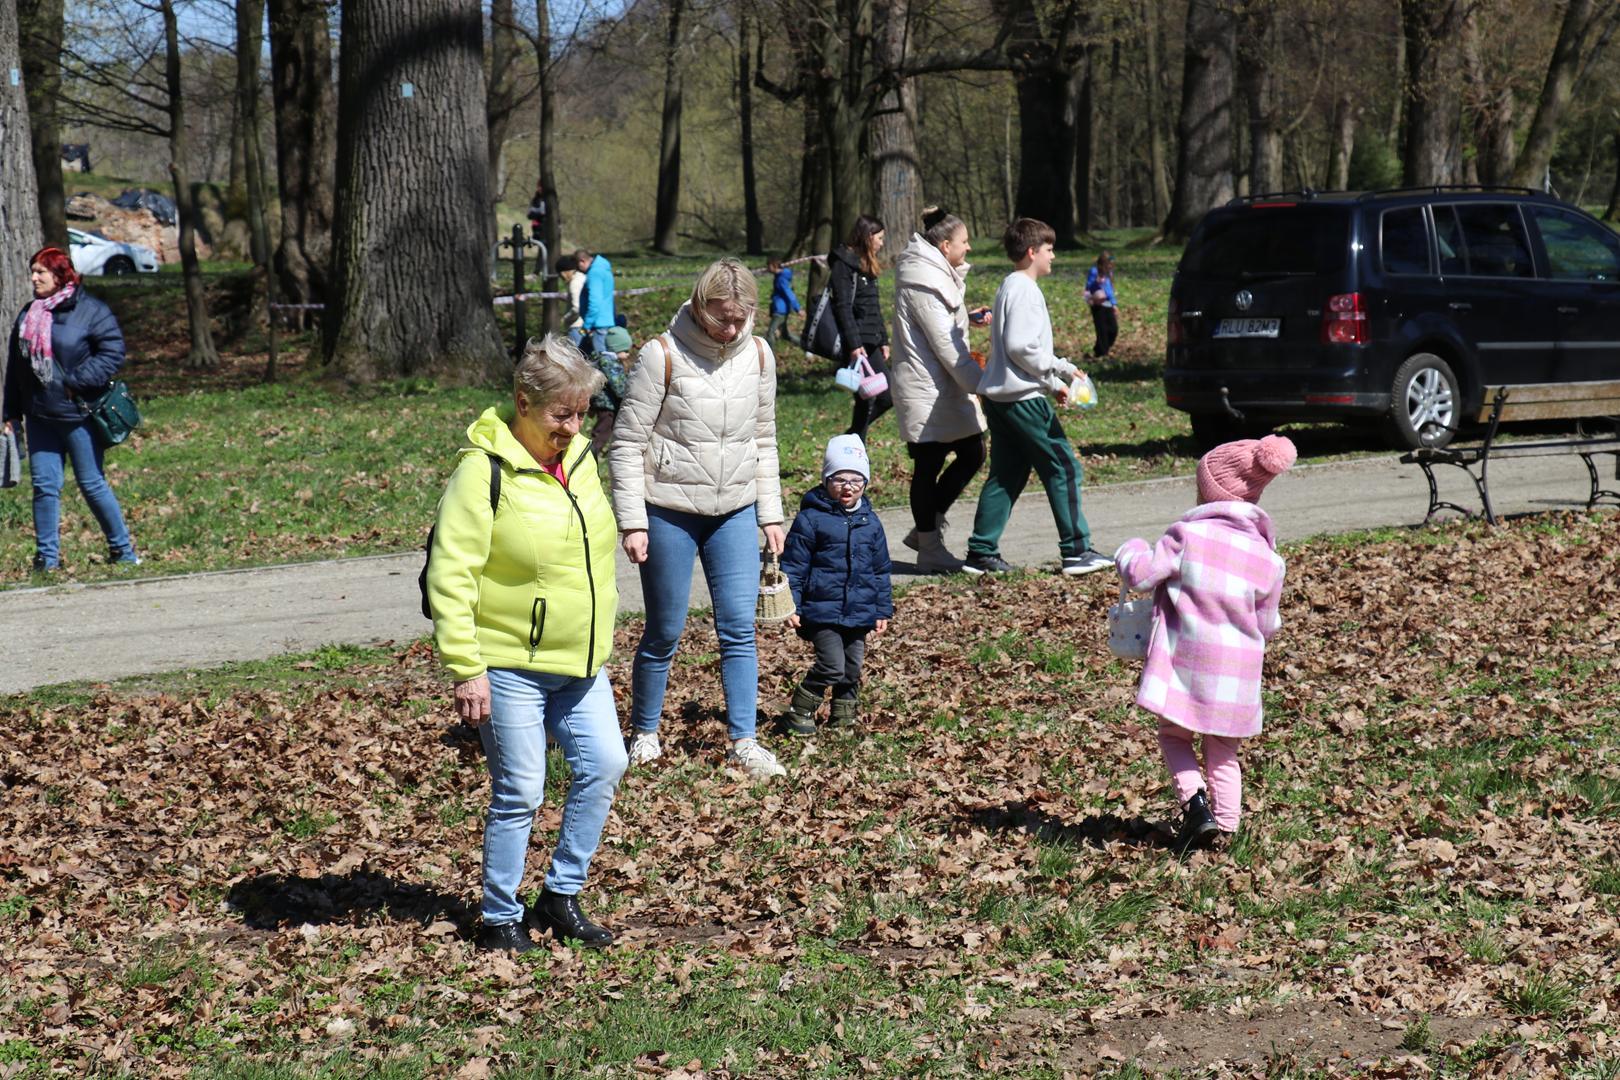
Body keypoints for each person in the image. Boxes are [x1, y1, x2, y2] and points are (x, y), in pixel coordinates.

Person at [425, 334, 626, 953]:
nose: (574, 427)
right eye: (561, 414)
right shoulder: (481, 473)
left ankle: (561, 895)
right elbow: (450, 575)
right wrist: (467, 669)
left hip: (580, 660)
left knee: (606, 764)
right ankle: (498, 916)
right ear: (522, 402)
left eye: (582, 413)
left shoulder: (582, 460)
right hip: (509, 661)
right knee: (522, 789)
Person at [609, 259, 789, 781]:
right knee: (664, 630)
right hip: (669, 510)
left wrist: (770, 513)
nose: (729, 328)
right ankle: (645, 733)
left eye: (739, 318)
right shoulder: (661, 355)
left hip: (735, 509)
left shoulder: (759, 355)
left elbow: (764, 440)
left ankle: (744, 741)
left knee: (739, 629)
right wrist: (633, 521)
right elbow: (627, 443)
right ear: (699, 304)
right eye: (720, 318)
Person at [1114, 435, 1294, 854]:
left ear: (1209, 491)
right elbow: (1267, 623)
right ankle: (1226, 831)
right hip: (1237, 672)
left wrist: (1129, 550)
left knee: (1174, 735)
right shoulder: (1268, 558)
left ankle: (1196, 807)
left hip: (1185, 662)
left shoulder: (1186, 535)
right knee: (1224, 751)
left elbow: (1142, 575)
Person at [963, 219, 1111, 578]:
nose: (1053, 256)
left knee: (1007, 473)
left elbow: (1016, 350)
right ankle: (1077, 551)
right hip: (1021, 400)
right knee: (1064, 468)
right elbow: (1020, 347)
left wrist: (1051, 383)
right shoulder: (1025, 290)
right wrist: (1061, 370)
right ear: (1032, 252)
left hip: (1001, 397)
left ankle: (981, 553)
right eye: (1049, 249)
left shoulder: (1009, 285)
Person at [3, 246, 139, 571]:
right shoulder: (28, 313)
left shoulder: (91, 311)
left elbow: (113, 352)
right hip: (40, 416)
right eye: (32, 271)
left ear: (60, 274)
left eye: (41, 272)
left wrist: (76, 381)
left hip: (79, 415)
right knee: (44, 487)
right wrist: (10, 412)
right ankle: (47, 560)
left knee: (91, 484)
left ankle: (123, 551)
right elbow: (16, 368)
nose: (34, 278)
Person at [889, 208, 992, 573]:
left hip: (940, 386)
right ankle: (929, 548)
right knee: (930, 463)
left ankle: (925, 532)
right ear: (945, 245)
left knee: (971, 451)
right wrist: (984, 385)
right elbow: (946, 346)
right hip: (926, 388)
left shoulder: (932, 275)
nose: (969, 247)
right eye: (964, 241)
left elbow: (942, 324)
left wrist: (968, 316)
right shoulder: (923, 282)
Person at [777, 435, 893, 735]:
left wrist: (882, 609)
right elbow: (794, 566)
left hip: (859, 611)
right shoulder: (810, 519)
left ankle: (843, 718)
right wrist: (792, 605)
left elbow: (880, 569)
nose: (848, 487)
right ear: (826, 480)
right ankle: (799, 712)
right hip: (821, 611)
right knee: (832, 665)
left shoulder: (871, 522)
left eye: (856, 480)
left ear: (865, 483)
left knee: (852, 668)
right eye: (839, 479)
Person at [828, 215, 892, 440]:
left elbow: (874, 306)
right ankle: (851, 442)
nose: (882, 243)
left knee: (870, 400)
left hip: (871, 340)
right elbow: (843, 307)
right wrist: (854, 345)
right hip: (857, 343)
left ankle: (851, 445)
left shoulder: (867, 264)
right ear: (867, 237)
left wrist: (883, 340)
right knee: (882, 397)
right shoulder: (843, 264)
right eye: (879, 238)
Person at [586, 325, 632, 455]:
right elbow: (618, 385)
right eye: (625, 350)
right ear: (616, 349)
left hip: (609, 404)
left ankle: (602, 451)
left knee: (610, 429)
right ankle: (590, 454)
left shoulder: (609, 361)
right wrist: (628, 395)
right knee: (602, 432)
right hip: (607, 405)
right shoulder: (608, 363)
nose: (628, 354)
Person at [576, 249, 617, 357]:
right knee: (583, 355)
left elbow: (595, 302)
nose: (578, 270)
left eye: (578, 267)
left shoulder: (594, 273)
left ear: (582, 261)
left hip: (597, 324)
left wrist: (586, 325)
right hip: (602, 321)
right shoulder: (603, 269)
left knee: (604, 360)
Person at [1085, 251, 1119, 359]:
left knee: (1113, 329)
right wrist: (1096, 282)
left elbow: (1110, 290)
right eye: (1108, 264)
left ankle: (1100, 349)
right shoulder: (1094, 272)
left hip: (1108, 304)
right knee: (1102, 329)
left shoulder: (1109, 274)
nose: (1110, 266)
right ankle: (1102, 353)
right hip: (1098, 304)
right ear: (1103, 263)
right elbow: (1089, 287)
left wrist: (1114, 304)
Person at [766, 258, 801, 346]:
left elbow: (789, 294)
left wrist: (798, 308)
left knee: (770, 333)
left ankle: (769, 354)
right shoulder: (780, 276)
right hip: (782, 309)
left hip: (780, 310)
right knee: (785, 334)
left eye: (768, 266)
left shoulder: (781, 279)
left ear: (774, 265)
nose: (767, 268)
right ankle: (803, 344)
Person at [556, 254, 586, 346]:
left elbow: (576, 308)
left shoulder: (574, 284)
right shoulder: (582, 277)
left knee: (574, 352)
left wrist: (565, 318)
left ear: (563, 273)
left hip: (576, 325)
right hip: (585, 324)